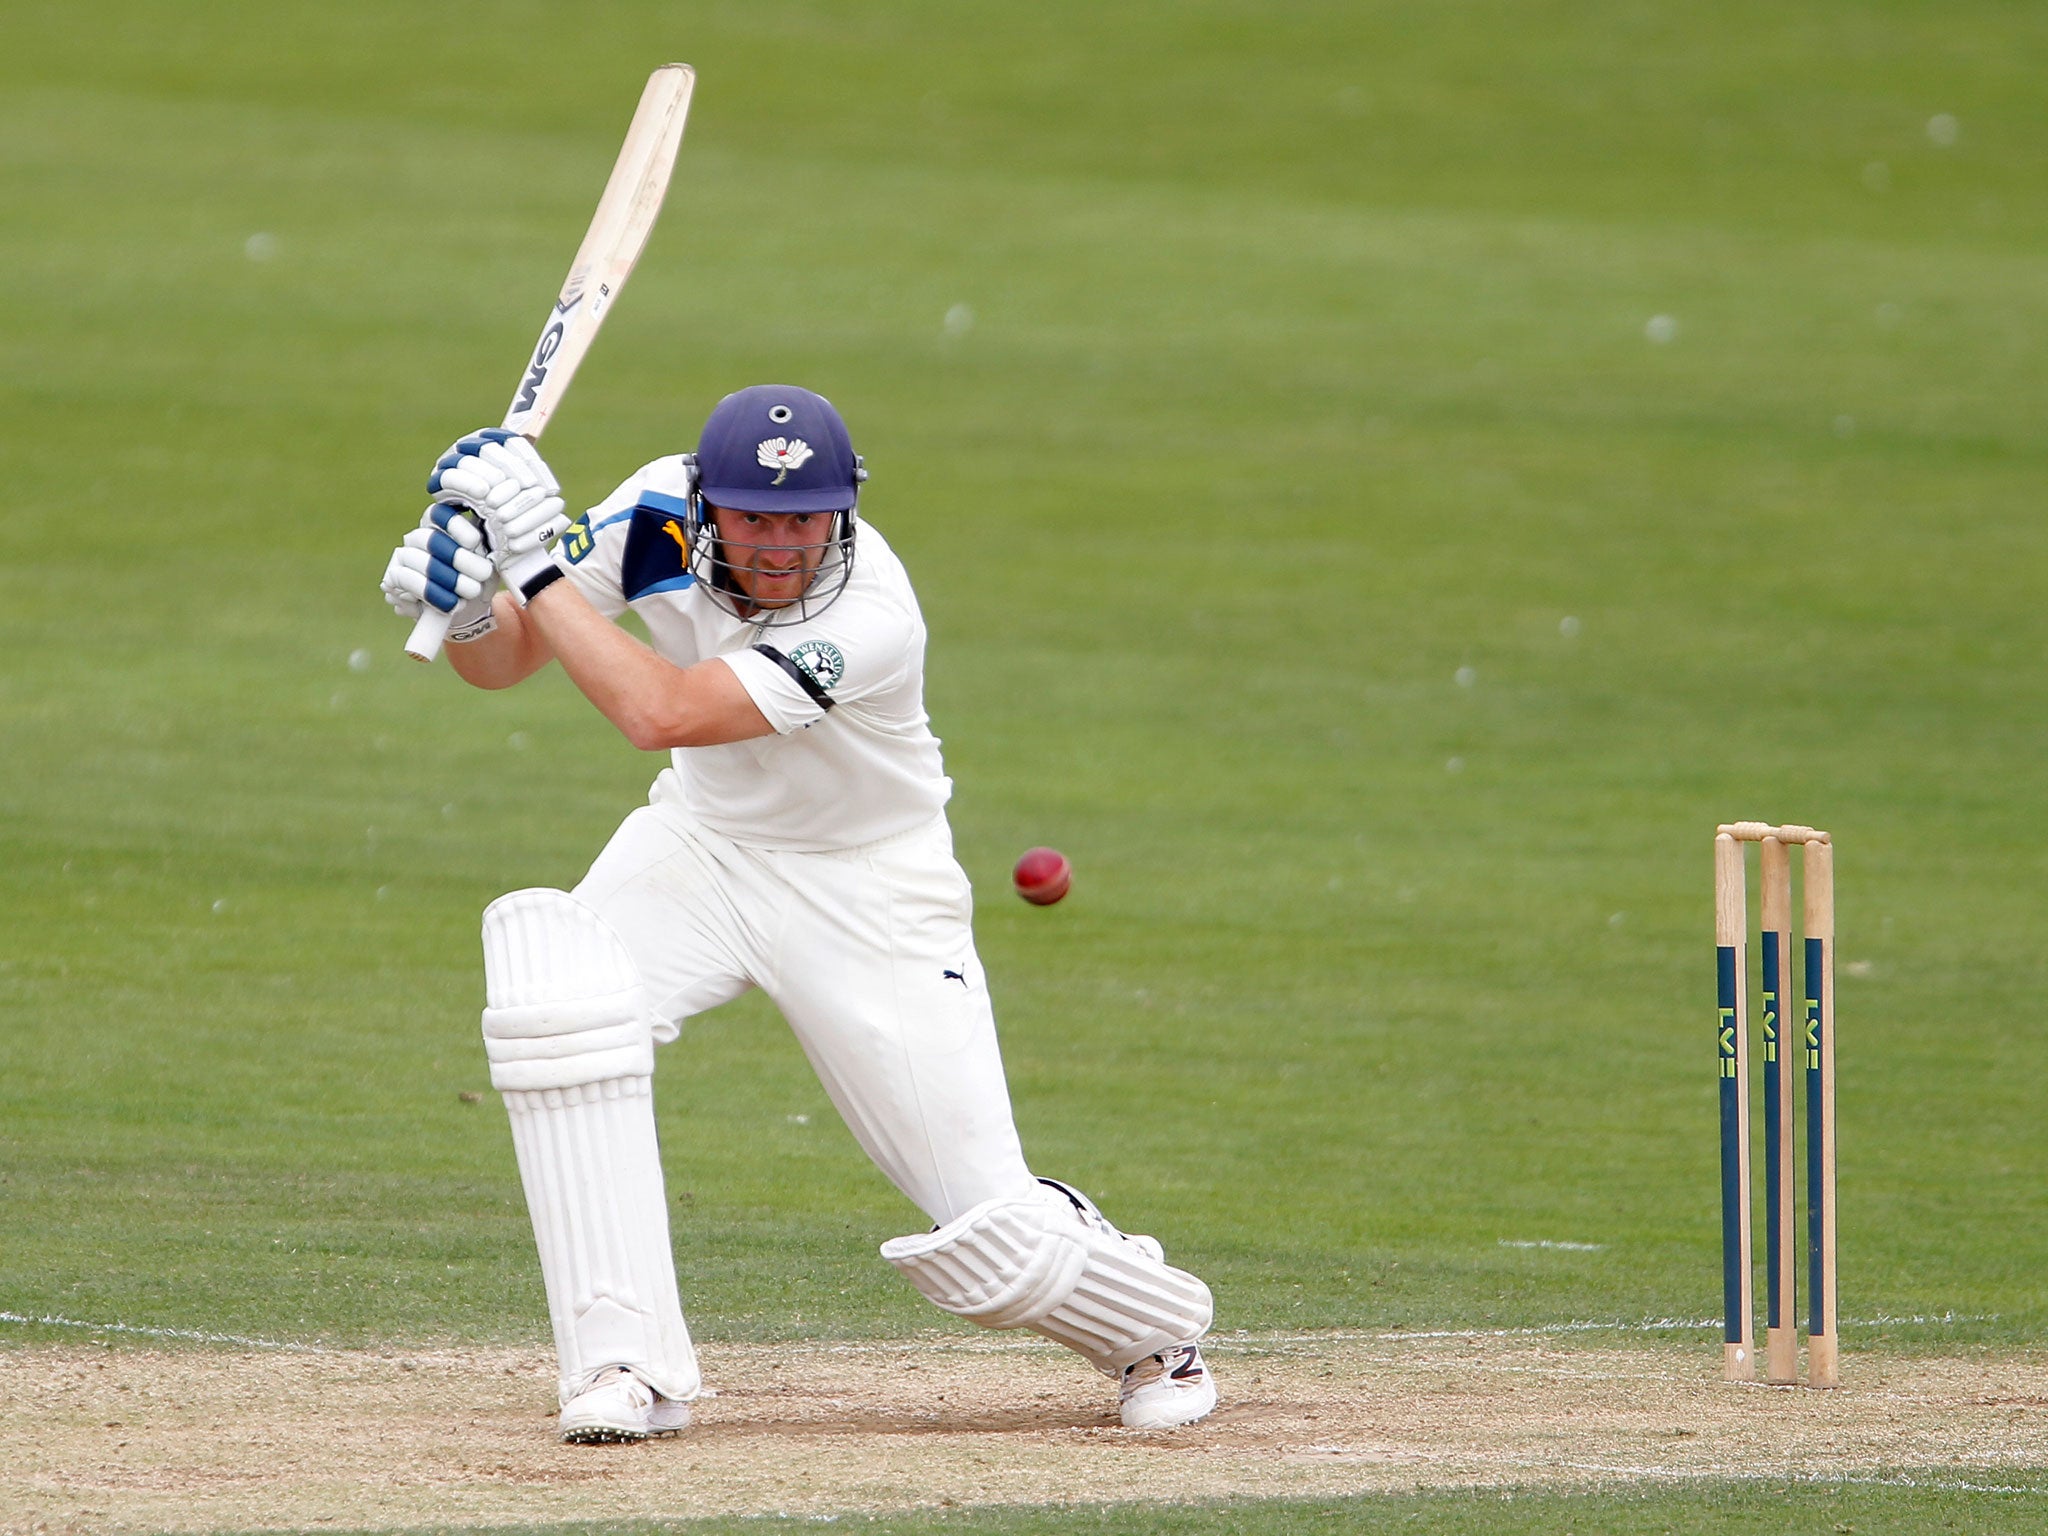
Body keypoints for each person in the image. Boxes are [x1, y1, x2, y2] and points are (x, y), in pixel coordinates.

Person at [378, 385, 1217, 1443]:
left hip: (868, 886)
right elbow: (509, 663)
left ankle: (1153, 1325)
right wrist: (468, 606)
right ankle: (624, 1367)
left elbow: (661, 712)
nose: (780, 545)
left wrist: (534, 566)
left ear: (842, 511)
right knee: (561, 1003)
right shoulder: (651, 513)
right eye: (754, 518)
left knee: (987, 1227)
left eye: (804, 518)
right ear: (706, 502)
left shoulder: (870, 614)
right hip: (703, 844)